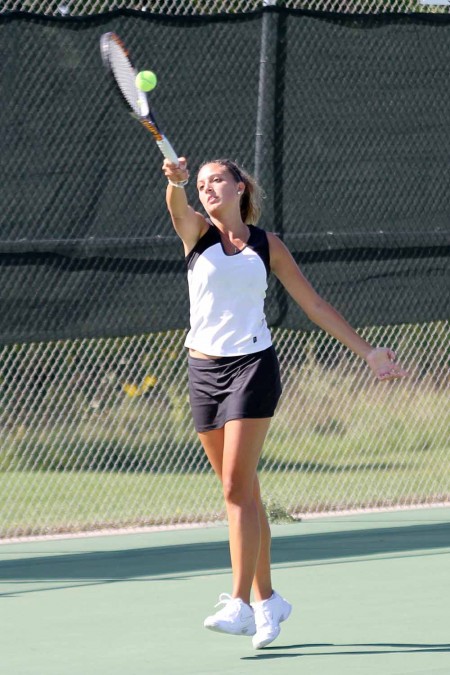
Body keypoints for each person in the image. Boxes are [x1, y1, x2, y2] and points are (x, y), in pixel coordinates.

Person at [162, 155, 408, 649]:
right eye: (202, 183)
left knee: (235, 487)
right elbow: (177, 207)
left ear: (239, 188)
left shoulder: (265, 245)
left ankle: (238, 603)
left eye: (217, 181)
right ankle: (269, 599)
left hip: (252, 367)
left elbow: (313, 303)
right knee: (245, 494)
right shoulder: (196, 234)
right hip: (203, 371)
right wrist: (177, 183)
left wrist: (367, 352)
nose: (208, 189)